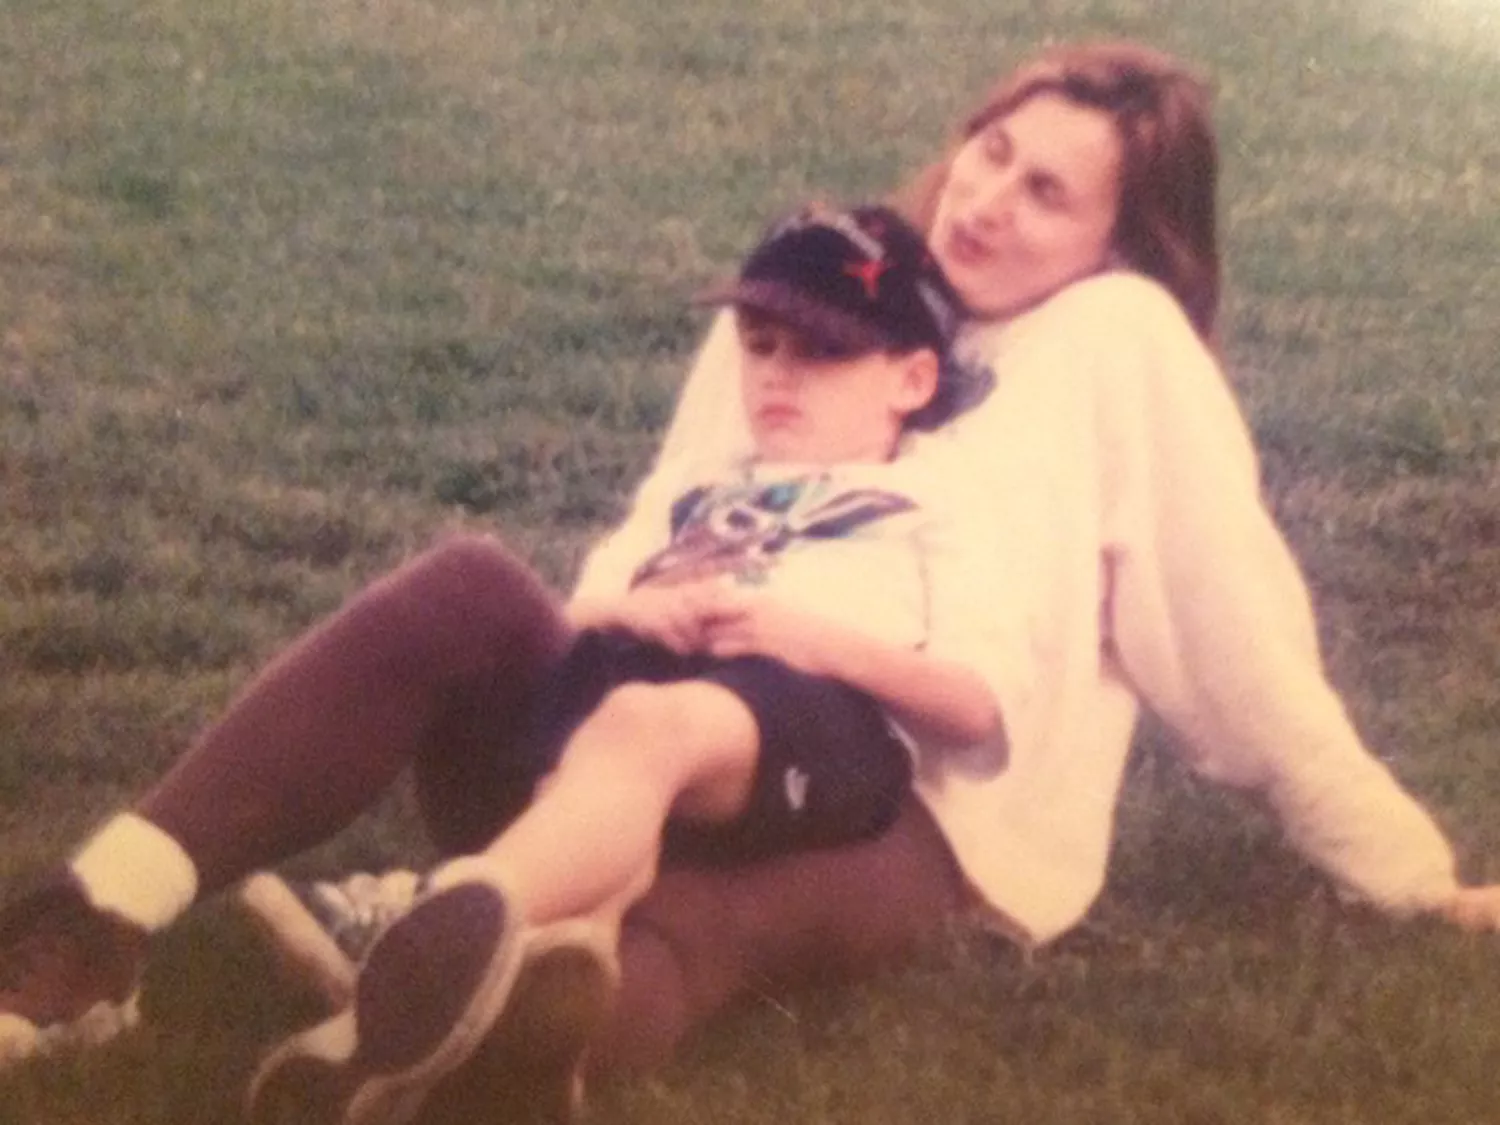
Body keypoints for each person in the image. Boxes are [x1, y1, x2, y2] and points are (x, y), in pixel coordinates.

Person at [3, 31, 1499, 1116]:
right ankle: (93, 927)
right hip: (658, 724)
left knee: (666, 941)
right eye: (992, 149)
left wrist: (1406, 878)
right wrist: (607, 622)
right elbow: (671, 513)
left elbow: (1233, 641)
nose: (986, 200)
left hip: (910, 804)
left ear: (1122, 238)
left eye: (1049, 193)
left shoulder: (1119, 350)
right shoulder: (826, 293)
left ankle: (438, 1031)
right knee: (473, 587)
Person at [245, 200, 1007, 1125]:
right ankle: (383, 1054)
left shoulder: (934, 501)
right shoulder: (699, 484)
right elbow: (579, 615)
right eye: (760, 344)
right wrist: (637, 609)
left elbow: (973, 707)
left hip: (807, 710)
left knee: (647, 724)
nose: (778, 374)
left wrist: (801, 637)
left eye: (821, 352)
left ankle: (430, 924)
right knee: (583, 903)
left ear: (912, 377)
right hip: (635, 709)